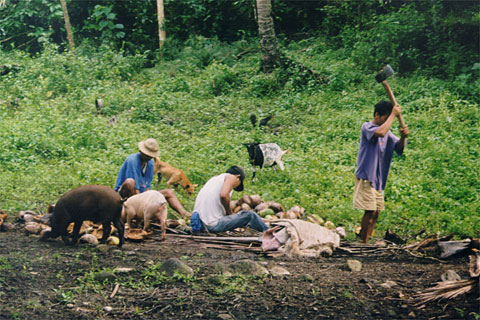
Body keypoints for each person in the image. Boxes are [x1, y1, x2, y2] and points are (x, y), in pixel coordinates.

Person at [353, 100, 410, 243]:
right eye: (386, 117)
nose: (387, 121)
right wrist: (394, 114)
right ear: (377, 115)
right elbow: (381, 132)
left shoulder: (388, 133)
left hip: (379, 178)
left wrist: (403, 137)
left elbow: (399, 148)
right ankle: (363, 243)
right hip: (367, 175)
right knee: (370, 210)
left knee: (377, 211)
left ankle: (367, 237)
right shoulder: (368, 127)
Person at [115, 138, 190, 218]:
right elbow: (135, 188)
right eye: (146, 155)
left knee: (169, 192)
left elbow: (147, 186)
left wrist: (149, 198)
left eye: (150, 156)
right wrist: (144, 204)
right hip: (127, 194)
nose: (148, 157)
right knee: (130, 182)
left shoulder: (150, 163)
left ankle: (184, 214)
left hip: (142, 195)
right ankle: (136, 212)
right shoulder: (132, 161)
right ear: (141, 151)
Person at [192, 165, 269, 233]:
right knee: (250, 215)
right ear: (238, 177)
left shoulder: (215, 179)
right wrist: (229, 212)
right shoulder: (231, 177)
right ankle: (269, 233)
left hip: (201, 223)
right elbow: (223, 195)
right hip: (213, 224)